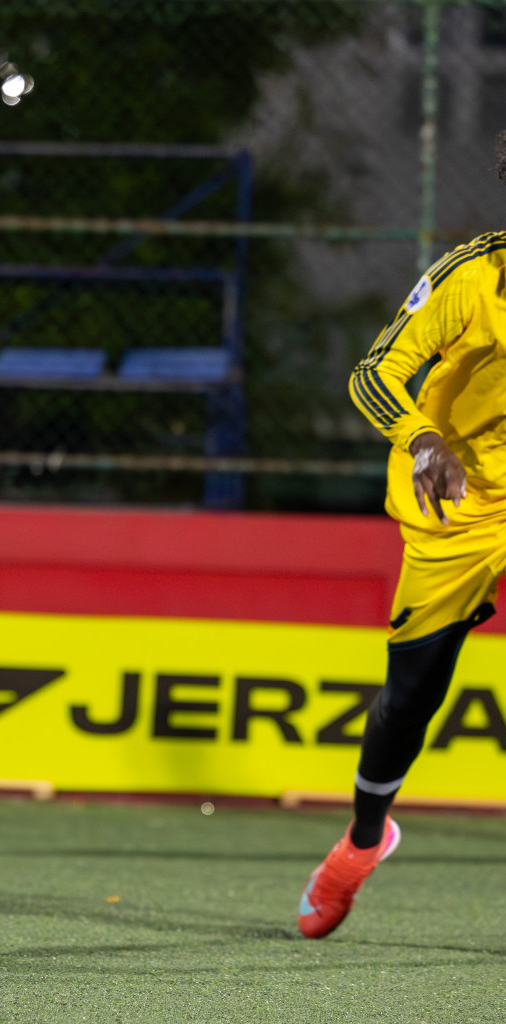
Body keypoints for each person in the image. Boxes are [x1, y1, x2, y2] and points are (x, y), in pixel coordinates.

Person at [298, 154, 506, 938]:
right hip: (457, 500)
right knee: (413, 695)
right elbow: (373, 372)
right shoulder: (469, 278)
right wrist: (421, 438)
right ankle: (361, 840)